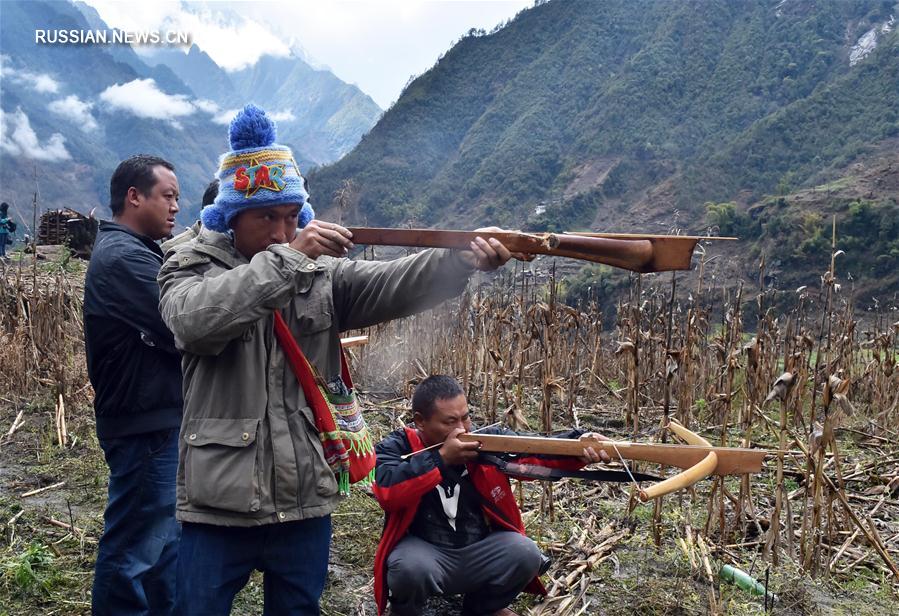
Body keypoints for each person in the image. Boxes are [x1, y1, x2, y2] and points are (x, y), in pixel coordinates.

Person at [157, 104, 523, 615]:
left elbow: (391, 282)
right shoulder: (188, 262)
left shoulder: (318, 273)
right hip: (220, 499)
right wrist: (290, 259)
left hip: (303, 491)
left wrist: (455, 260)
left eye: (291, 217)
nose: (284, 231)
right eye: (268, 217)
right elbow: (194, 321)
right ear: (231, 215)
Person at [373, 375, 610, 616]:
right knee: (408, 569)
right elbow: (387, 492)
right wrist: (441, 459)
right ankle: (407, 611)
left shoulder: (485, 440)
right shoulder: (397, 446)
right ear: (420, 421)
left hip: (479, 551)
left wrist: (575, 447)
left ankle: (483, 609)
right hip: (426, 554)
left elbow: (533, 450)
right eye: (449, 421)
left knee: (525, 554)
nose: (462, 429)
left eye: (465, 417)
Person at [83, 155, 183, 615]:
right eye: (168, 196)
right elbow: (185, 324)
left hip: (156, 418)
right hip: (144, 424)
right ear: (134, 197)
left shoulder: (137, 253)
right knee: (134, 549)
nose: (176, 207)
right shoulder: (124, 259)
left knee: (161, 545)